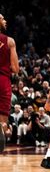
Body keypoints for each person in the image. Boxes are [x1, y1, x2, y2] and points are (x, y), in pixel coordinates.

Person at [0, 14, 20, 152]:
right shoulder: (10, 41)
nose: (5, 20)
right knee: (2, 121)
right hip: (3, 82)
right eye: (2, 18)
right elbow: (15, 69)